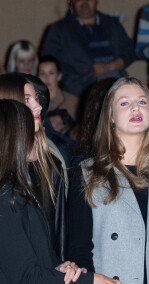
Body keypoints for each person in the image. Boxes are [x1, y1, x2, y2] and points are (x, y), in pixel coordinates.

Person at [68, 77, 149, 283]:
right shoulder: (88, 174)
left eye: (142, 101)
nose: (135, 108)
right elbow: (80, 248)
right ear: (110, 116)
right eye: (124, 103)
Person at [0, 99, 121, 284]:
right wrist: (90, 281)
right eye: (30, 132)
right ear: (13, 137)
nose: (36, 138)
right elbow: (25, 276)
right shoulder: (6, 198)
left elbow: (39, 256)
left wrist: (62, 268)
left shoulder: (19, 190)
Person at [0, 73, 67, 261]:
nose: (38, 106)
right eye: (28, 100)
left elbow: (57, 235)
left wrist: (62, 268)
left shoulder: (49, 164)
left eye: (36, 99)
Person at [41, 0, 136, 97]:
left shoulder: (112, 24)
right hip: (78, 92)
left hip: (116, 88)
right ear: (72, 1)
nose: (84, 2)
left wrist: (109, 66)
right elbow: (48, 60)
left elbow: (130, 52)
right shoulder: (59, 30)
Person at [38, 55, 79, 124]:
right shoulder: (32, 101)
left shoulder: (72, 100)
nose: (47, 77)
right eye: (42, 73)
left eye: (51, 73)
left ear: (59, 76)